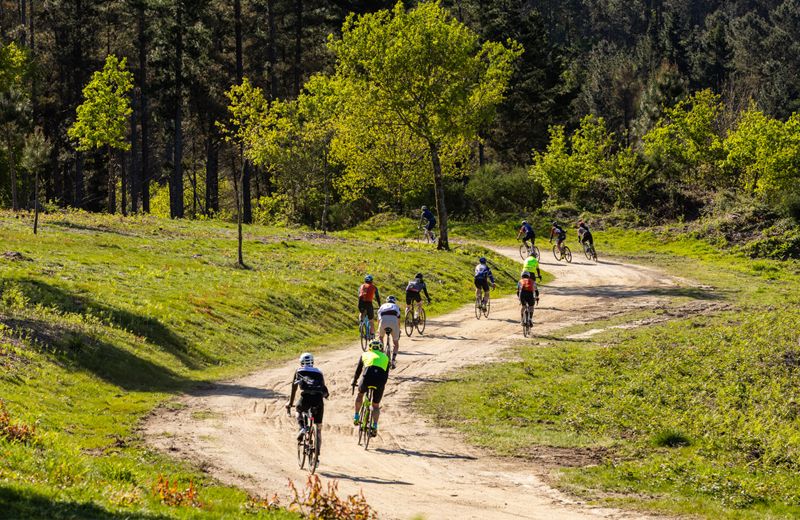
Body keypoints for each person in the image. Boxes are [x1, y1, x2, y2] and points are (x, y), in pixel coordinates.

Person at [285, 353, 329, 444]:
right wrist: (326, 396)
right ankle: (317, 452)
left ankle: (302, 427)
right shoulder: (319, 372)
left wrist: (290, 403)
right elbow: (323, 388)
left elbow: (294, 388)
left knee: (298, 410)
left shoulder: (299, 371)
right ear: (312, 362)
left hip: (305, 398)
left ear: (301, 362)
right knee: (319, 426)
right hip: (318, 399)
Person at [352, 339, 391, 437]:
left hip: (367, 378)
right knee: (376, 405)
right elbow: (386, 375)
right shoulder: (386, 357)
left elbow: (358, 370)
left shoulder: (364, 354)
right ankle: (375, 425)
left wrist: (354, 381)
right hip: (380, 381)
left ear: (370, 347)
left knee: (360, 395)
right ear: (381, 348)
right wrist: (382, 385)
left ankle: (356, 416)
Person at [378, 296, 402, 368]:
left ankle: (382, 352)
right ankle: (393, 360)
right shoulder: (396, 306)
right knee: (396, 343)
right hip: (394, 322)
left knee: (380, 337)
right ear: (394, 301)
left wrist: (378, 329)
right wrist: (399, 329)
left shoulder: (382, 306)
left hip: (383, 321)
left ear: (386, 301)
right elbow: (398, 319)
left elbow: (379, 319)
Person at [358, 275, 381, 339]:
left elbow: (359, 295)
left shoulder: (361, 286)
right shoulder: (374, 287)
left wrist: (359, 305)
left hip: (361, 302)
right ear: (372, 281)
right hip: (369, 304)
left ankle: (361, 323)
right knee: (371, 321)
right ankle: (372, 334)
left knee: (361, 313)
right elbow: (377, 297)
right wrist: (379, 305)